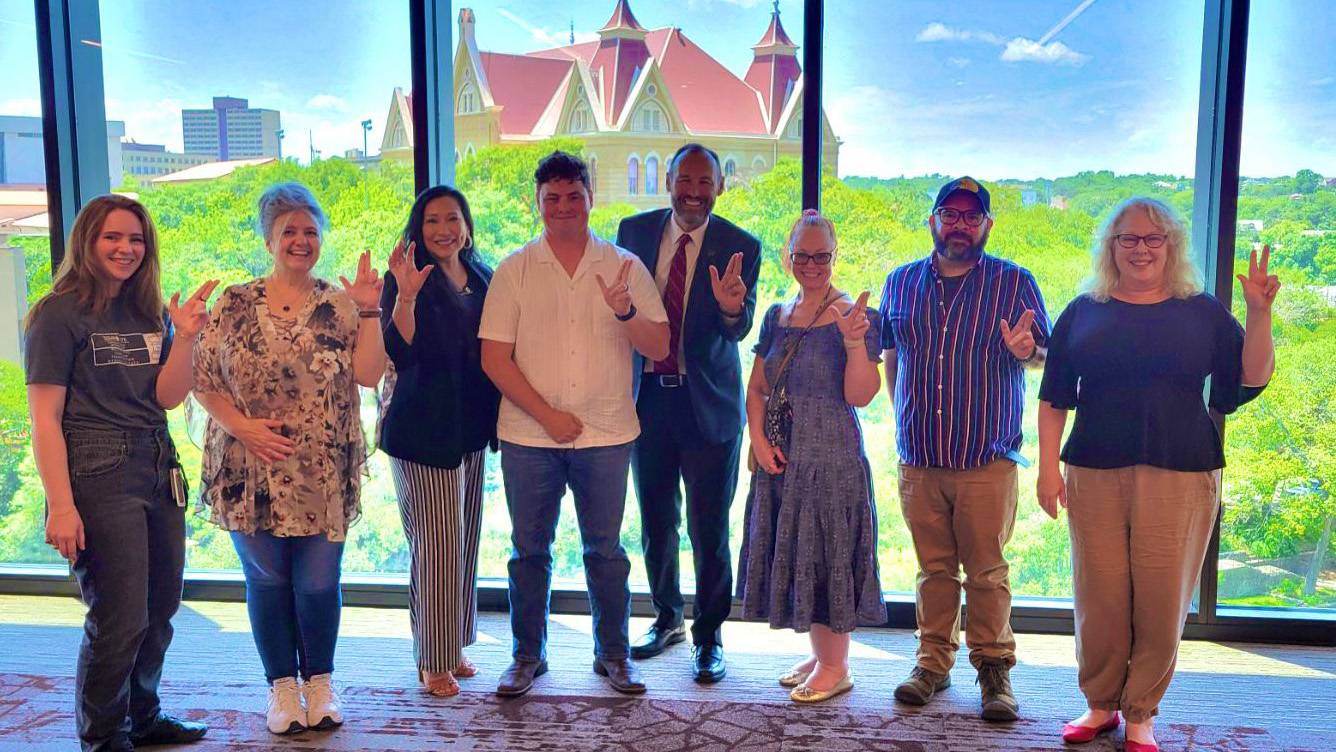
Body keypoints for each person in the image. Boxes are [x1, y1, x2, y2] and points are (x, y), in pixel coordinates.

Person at [1037, 198, 1277, 752]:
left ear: (1171, 246)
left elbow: (1250, 376)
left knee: (1161, 598)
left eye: (1153, 239)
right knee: (1098, 595)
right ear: (1111, 246)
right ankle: (1100, 705)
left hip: (1182, 471)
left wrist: (1260, 314)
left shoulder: (1203, 311)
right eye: (1129, 238)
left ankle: (1140, 712)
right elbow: (1054, 400)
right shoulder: (1083, 310)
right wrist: (1048, 470)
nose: (1141, 249)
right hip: (1094, 469)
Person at [193, 183, 388, 735]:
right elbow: (202, 383)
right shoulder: (233, 302)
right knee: (268, 581)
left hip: (322, 468)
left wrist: (372, 310)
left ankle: (320, 683)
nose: (300, 241)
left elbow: (370, 374)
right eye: (288, 232)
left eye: (309, 231)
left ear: (320, 237)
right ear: (269, 239)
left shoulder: (341, 304)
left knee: (319, 583)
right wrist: (245, 428)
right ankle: (281, 689)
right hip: (246, 465)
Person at [25, 194, 214, 752]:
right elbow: (44, 419)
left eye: (136, 239)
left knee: (161, 608)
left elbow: (168, 396)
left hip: (158, 461)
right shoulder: (56, 313)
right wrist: (60, 504)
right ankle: (104, 738)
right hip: (95, 465)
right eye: (113, 237)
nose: (126, 249)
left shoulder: (150, 309)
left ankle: (142, 716)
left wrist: (187, 336)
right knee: (119, 615)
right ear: (88, 240)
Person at [480, 151, 669, 697]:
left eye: (574, 196)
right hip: (528, 437)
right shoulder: (515, 269)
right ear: (537, 204)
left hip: (607, 436)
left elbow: (658, 348)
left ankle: (613, 654)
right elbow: (495, 359)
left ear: (591, 197)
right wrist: (548, 416)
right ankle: (526, 656)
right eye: (552, 198)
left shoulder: (624, 267)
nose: (563, 207)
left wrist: (626, 311)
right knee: (528, 551)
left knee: (604, 551)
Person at [877, 176, 1050, 722]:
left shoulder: (1015, 282)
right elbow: (892, 360)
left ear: (986, 226)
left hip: (986, 459)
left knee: (987, 572)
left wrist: (1028, 349)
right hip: (920, 458)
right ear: (932, 220)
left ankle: (994, 670)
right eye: (948, 214)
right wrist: (902, 425)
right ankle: (932, 663)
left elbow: (1043, 354)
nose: (959, 224)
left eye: (970, 217)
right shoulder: (900, 282)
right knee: (932, 570)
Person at [615, 143, 762, 683]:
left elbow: (739, 325)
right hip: (647, 400)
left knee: (708, 528)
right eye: (685, 180)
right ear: (668, 180)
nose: (694, 192)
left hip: (709, 407)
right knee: (656, 522)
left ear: (719, 187)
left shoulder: (740, 244)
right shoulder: (632, 232)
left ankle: (709, 635)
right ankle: (667, 617)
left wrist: (728, 305)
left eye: (706, 183)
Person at [736, 210, 885, 703]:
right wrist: (757, 441)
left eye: (823, 256)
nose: (813, 264)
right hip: (782, 458)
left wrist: (853, 342)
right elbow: (757, 387)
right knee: (800, 549)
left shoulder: (855, 315)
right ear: (790, 256)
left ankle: (836, 664)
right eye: (804, 255)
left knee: (828, 552)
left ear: (834, 256)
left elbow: (861, 395)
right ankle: (823, 653)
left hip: (831, 457)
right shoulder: (777, 314)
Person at [378, 185, 500, 697]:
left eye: (453, 218)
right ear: (418, 227)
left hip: (471, 428)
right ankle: (432, 659)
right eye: (432, 221)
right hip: (422, 430)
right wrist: (405, 296)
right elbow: (398, 350)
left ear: (467, 224)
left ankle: (454, 645)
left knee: (464, 539)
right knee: (435, 545)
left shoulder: (481, 275)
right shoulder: (404, 277)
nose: (443, 229)